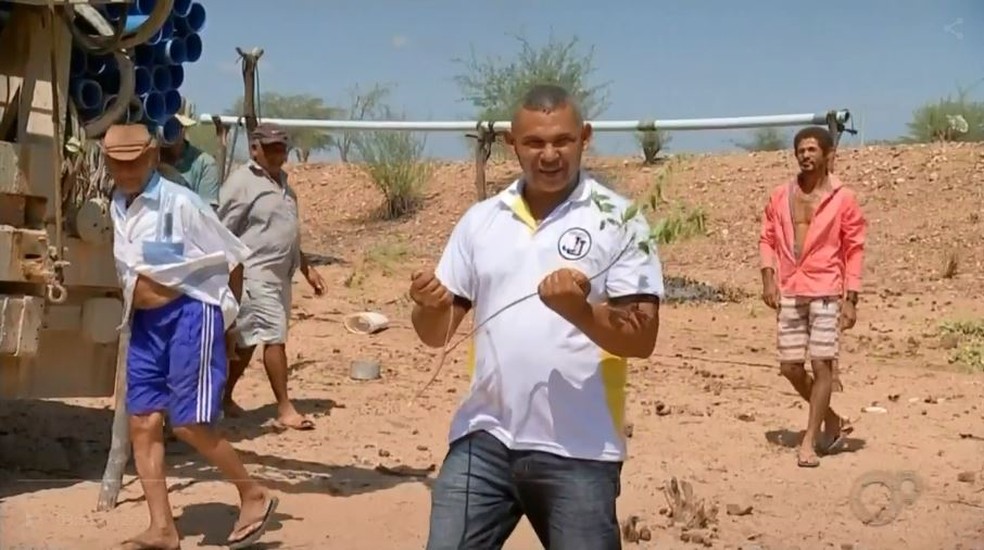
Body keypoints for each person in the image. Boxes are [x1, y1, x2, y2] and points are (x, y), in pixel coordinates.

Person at [410, 84, 664, 550]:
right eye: (534, 142)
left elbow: (641, 339)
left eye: (562, 140)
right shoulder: (480, 220)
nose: (549, 155)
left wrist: (580, 312)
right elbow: (435, 335)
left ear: (585, 137)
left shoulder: (621, 220)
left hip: (580, 449)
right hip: (483, 439)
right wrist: (429, 308)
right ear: (512, 143)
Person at [104, 123, 277, 550]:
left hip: (190, 315)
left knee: (190, 423)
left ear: (151, 157)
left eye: (134, 163)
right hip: (144, 324)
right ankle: (162, 528)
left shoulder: (182, 202)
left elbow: (234, 257)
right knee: (142, 422)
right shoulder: (117, 204)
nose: (126, 172)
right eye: (117, 164)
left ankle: (253, 494)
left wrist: (228, 323)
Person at [758, 126, 866, 468]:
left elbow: (854, 248)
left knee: (822, 364)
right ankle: (831, 419)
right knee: (790, 367)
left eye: (811, 150)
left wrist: (851, 299)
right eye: (800, 150)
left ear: (827, 154)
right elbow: (767, 237)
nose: (805, 155)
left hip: (827, 289)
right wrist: (768, 277)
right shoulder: (780, 195)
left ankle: (809, 440)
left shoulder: (843, 198)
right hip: (791, 287)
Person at [218, 122, 327, 430]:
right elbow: (221, 229)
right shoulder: (241, 183)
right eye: (271, 149)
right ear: (255, 149)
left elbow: (286, 234)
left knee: (247, 341)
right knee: (274, 337)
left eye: (282, 148)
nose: (279, 155)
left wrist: (307, 268)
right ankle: (285, 407)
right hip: (254, 274)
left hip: (281, 276)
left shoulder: (284, 186)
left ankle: (223, 397)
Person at [159, 106, 221, 208]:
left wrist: (173, 177)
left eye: (173, 126)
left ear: (184, 129)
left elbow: (206, 213)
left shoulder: (205, 164)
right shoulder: (148, 159)